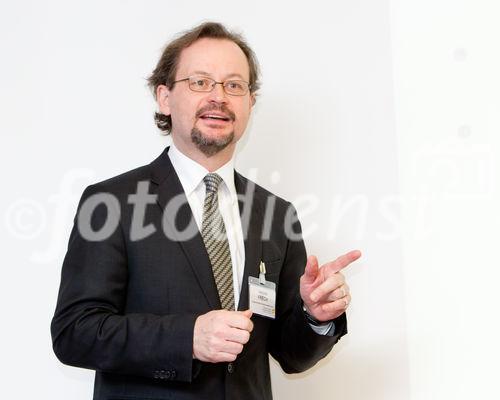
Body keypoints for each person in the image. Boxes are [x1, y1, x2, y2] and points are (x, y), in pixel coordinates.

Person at [51, 22, 361, 400]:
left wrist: (315, 316)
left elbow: (290, 354)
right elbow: (74, 333)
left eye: (234, 85)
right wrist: (188, 338)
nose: (219, 97)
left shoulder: (276, 215)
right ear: (164, 97)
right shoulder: (110, 203)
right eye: (200, 82)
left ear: (250, 103)